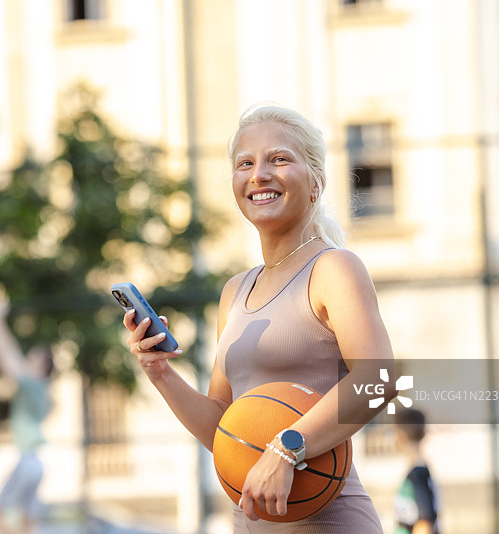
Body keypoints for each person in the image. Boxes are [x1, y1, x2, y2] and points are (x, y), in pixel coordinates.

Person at [121, 104, 396, 533]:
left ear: (316, 182)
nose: (259, 174)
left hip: (327, 521)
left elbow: (378, 380)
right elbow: (223, 426)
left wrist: (288, 449)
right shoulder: (235, 291)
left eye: (280, 159)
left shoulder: (334, 269)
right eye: (244, 163)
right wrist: (160, 374)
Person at [0, 297, 54, 534]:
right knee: (26, 523)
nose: (25, 361)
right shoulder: (40, 390)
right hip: (34, 463)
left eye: (31, 359)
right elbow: (10, 355)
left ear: (42, 368)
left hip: (27, 464)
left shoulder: (34, 386)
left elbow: (6, 357)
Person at [393, 408, 439, 534]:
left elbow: (424, 524)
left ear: (399, 436)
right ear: (424, 433)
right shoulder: (421, 471)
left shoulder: (417, 475)